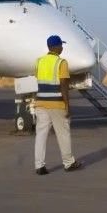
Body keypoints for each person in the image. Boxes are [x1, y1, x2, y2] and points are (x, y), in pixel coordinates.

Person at [33, 34, 82, 174]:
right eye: (61, 45)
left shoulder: (39, 62)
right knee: (63, 134)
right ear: (55, 47)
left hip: (41, 102)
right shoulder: (61, 63)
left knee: (41, 135)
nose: (62, 48)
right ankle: (68, 163)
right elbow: (64, 86)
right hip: (56, 103)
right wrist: (67, 106)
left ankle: (39, 166)